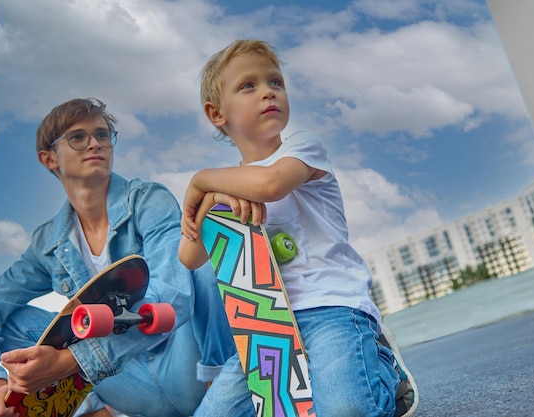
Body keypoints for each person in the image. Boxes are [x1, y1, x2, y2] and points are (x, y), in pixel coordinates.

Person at [178, 39, 418, 417]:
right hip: (265, 326)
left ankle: (385, 374)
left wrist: (200, 181)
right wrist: (208, 200)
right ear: (216, 114)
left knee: (345, 409)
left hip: (332, 308)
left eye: (275, 82)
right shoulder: (225, 185)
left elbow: (270, 185)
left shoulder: (302, 149)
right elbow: (190, 257)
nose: (267, 92)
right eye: (248, 86)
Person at [0, 98, 235, 417]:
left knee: (201, 261)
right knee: (9, 319)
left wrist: (71, 361)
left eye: (103, 135)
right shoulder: (48, 243)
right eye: (78, 137)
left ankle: (222, 395)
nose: (94, 143)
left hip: (186, 363)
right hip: (124, 381)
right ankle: (89, 409)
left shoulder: (147, 201)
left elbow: (176, 296)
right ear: (48, 158)